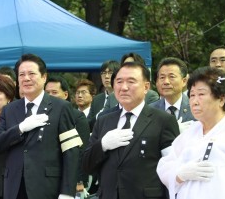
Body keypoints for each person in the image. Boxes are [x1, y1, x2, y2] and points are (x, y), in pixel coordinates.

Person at [0, 54, 82, 199]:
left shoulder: (61, 107)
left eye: (31, 73)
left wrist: (67, 192)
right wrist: (19, 128)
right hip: (14, 188)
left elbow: (71, 152)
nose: (26, 78)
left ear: (44, 77)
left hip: (47, 188)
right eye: (22, 74)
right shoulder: (9, 109)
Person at [83, 62, 179, 199]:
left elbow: (171, 168)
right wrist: (102, 145)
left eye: (131, 82)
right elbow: (87, 165)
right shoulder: (104, 120)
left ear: (146, 87)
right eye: (119, 82)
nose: (124, 87)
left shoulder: (163, 120)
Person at [157, 67, 225, 199]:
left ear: (221, 99)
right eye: (192, 95)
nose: (194, 101)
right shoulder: (188, 133)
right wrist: (180, 174)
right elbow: (164, 167)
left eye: (201, 94)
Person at [44, 76, 90, 196]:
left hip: (68, 179)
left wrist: (79, 180)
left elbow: (80, 152)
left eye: (54, 92)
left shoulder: (77, 117)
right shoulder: (39, 116)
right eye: (47, 92)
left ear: (65, 95)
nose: (50, 95)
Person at [150, 57, 194, 132]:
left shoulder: (195, 107)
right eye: (162, 77)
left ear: (184, 81)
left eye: (171, 77)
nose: (166, 82)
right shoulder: (150, 110)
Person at [88, 60, 120, 129]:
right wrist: (100, 115)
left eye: (110, 73)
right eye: (104, 73)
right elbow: (88, 124)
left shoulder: (123, 97)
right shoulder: (96, 100)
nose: (106, 76)